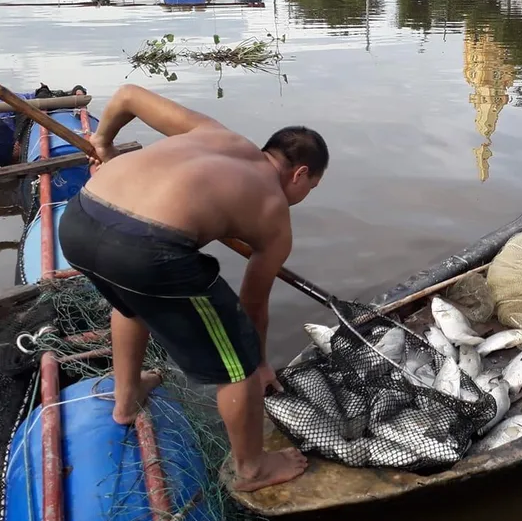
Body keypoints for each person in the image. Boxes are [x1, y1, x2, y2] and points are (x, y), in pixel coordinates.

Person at [57, 84, 328, 492]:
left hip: (80, 219)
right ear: (301, 173)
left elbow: (128, 96)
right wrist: (259, 363)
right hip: (144, 248)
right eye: (311, 187)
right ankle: (253, 468)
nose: (304, 196)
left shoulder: (216, 133)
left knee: (132, 304)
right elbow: (251, 307)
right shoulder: (275, 213)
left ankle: (126, 400)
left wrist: (103, 142)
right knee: (237, 357)